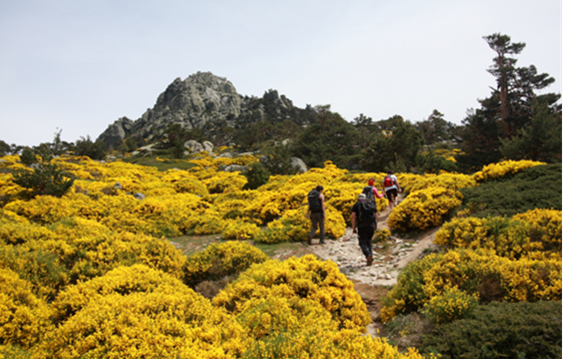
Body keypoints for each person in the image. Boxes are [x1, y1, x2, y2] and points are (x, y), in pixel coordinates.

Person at [351, 192, 377, 266]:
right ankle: (370, 259)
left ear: (359, 199)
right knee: (369, 241)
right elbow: (376, 216)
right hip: (371, 225)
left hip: (362, 226)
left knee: (362, 242)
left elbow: (353, 217)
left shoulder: (357, 205)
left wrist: (353, 228)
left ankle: (368, 254)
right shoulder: (371, 204)